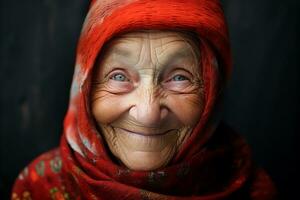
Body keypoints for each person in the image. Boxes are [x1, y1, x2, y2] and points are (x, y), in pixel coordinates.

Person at [11, 0, 277, 199]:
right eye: (117, 77)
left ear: (211, 90)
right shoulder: (39, 189)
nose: (147, 114)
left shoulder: (253, 191)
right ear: (84, 88)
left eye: (179, 78)